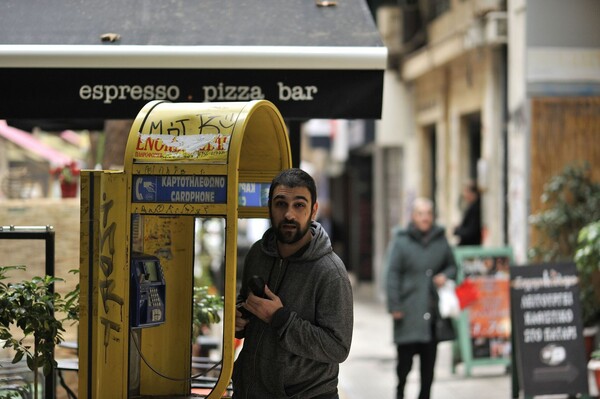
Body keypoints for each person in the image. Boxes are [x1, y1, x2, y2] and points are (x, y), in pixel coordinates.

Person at [233, 168, 353, 399]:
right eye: (280, 204)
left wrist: (280, 318)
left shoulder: (331, 272)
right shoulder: (257, 253)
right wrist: (240, 319)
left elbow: (338, 348)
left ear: (313, 210)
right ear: (270, 207)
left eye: (299, 205)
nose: (289, 214)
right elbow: (246, 305)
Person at [384, 197, 457, 399]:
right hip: (408, 312)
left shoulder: (440, 240)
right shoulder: (401, 241)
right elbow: (392, 274)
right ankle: (400, 392)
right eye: (420, 214)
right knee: (404, 364)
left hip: (431, 315)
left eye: (428, 214)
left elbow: (453, 266)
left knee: (428, 365)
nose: (425, 218)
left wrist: (446, 276)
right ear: (413, 216)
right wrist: (394, 305)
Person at [453, 180, 482, 246]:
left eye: (466, 192)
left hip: (471, 245)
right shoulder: (473, 207)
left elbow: (471, 231)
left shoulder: (475, 209)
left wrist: (457, 230)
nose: (464, 195)